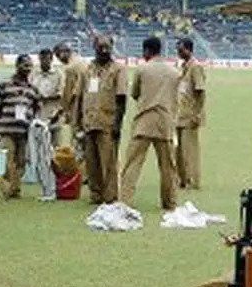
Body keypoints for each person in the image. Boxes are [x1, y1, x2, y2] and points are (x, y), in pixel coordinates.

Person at [120, 36, 180, 210]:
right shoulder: (174, 72)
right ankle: (170, 202)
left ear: (147, 50)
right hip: (165, 122)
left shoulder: (142, 70)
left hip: (144, 121)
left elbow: (135, 93)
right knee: (168, 167)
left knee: (132, 164)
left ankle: (125, 201)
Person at [75, 35, 127, 205]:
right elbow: (80, 97)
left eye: (107, 47)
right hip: (89, 121)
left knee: (109, 162)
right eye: (100, 47)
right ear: (94, 47)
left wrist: (118, 124)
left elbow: (121, 98)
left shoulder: (118, 69)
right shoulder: (87, 70)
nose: (104, 50)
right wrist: (77, 122)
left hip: (108, 122)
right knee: (91, 162)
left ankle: (110, 196)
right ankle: (95, 194)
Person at [0, 54, 42, 199]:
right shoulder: (4, 85)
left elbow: (37, 108)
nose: (27, 69)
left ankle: (14, 189)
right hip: (6, 129)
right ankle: (9, 188)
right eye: (25, 65)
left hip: (24, 132)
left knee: (21, 162)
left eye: (29, 66)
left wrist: (34, 120)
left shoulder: (33, 89)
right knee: (8, 161)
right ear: (17, 66)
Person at [174, 37, 207, 190]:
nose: (179, 52)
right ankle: (182, 179)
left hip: (190, 116)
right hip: (179, 115)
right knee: (179, 150)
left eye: (181, 49)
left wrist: (197, 114)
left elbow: (200, 91)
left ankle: (193, 180)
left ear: (189, 49)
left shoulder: (196, 67)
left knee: (190, 150)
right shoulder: (183, 67)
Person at [54, 41, 89, 145]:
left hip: (77, 108)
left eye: (58, 55)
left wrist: (61, 111)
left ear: (64, 52)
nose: (58, 59)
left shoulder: (70, 68)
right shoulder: (83, 62)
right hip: (90, 106)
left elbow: (67, 94)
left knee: (78, 139)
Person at [32, 48, 65, 145]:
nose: (44, 62)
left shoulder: (59, 74)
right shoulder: (34, 73)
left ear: (51, 59)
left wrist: (45, 97)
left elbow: (61, 94)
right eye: (42, 59)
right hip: (37, 116)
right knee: (38, 146)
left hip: (54, 116)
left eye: (47, 59)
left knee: (55, 147)